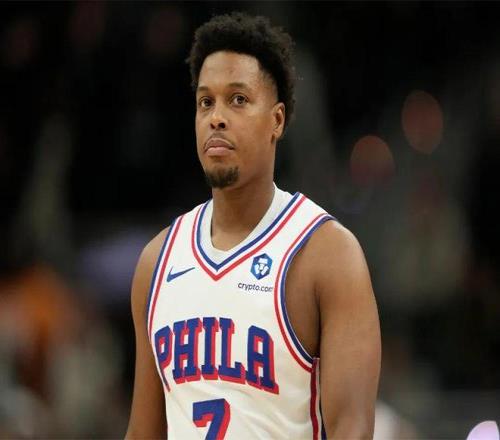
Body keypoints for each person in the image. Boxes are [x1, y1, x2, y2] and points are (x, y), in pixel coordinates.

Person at [126, 12, 380, 439]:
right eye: (206, 102)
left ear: (277, 121)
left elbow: (352, 428)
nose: (216, 117)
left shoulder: (326, 254)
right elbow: (143, 433)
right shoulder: (157, 261)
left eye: (238, 99)